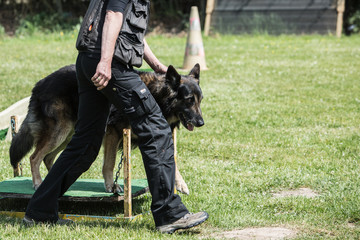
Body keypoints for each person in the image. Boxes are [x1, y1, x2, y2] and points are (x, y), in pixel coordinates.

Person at [22, 0, 208, 234]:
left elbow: (131, 33)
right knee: (157, 128)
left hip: (90, 60)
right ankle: (170, 214)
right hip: (111, 65)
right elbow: (112, 16)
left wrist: (156, 65)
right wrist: (106, 62)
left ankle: (39, 211)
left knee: (86, 142)